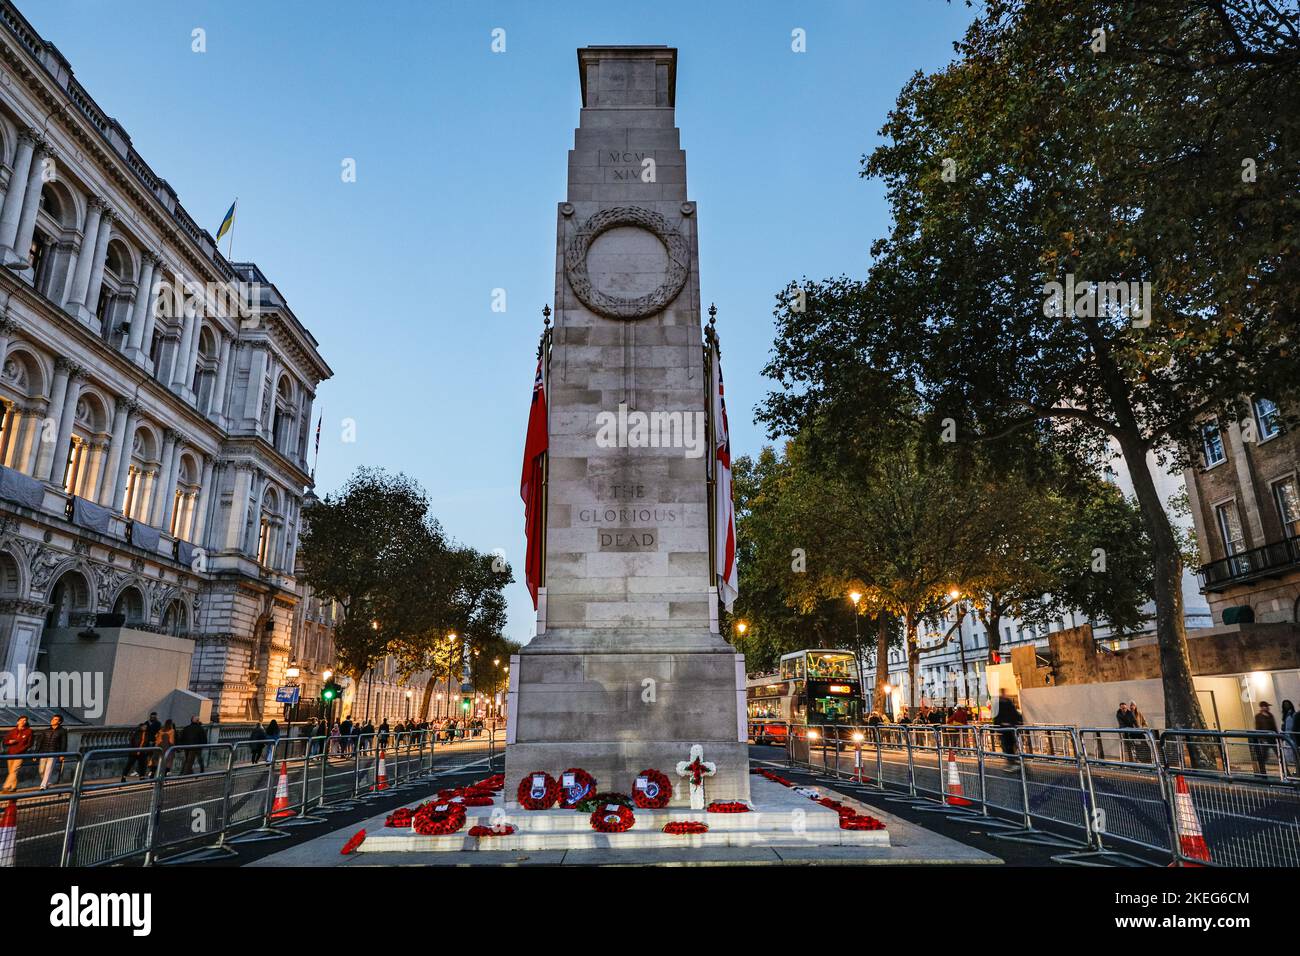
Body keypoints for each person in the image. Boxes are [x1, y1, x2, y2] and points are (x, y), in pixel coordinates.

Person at [36, 716, 68, 789]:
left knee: (48, 769)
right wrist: (36, 753)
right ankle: (48, 782)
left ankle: (43, 785)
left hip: (54, 752)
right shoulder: (46, 730)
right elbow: (39, 742)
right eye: (53, 719)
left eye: (55, 719)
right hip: (44, 752)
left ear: (59, 722)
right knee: (41, 770)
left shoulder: (62, 731)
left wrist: (62, 754)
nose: (53, 720)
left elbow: (64, 743)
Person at [3, 716, 33, 792]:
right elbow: (5, 741)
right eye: (21, 720)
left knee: (14, 770)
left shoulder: (29, 731)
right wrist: (9, 742)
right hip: (10, 754)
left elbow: (29, 744)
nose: (23, 721)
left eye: (25, 720)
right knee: (11, 772)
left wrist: (21, 750)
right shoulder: (13, 731)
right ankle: (14, 787)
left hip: (20, 754)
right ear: (17, 722)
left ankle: (6, 787)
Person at [992, 689, 1022, 758]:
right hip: (1004, 727)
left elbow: (1014, 713)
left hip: (1009, 727)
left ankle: (1013, 758)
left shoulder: (1007, 702)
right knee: (1007, 744)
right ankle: (1011, 759)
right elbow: (996, 716)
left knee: (1011, 743)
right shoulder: (1000, 703)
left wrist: (1019, 720)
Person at [1253, 701, 1278, 775]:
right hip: (1265, 739)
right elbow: (1258, 728)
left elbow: (1274, 727)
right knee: (1263, 757)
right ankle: (1262, 772)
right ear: (1262, 707)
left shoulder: (1270, 715)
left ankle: (1286, 772)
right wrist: (1261, 738)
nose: (1267, 707)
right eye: (1266, 706)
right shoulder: (1258, 716)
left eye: (1267, 706)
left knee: (1279, 754)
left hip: (1273, 738)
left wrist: (1277, 736)